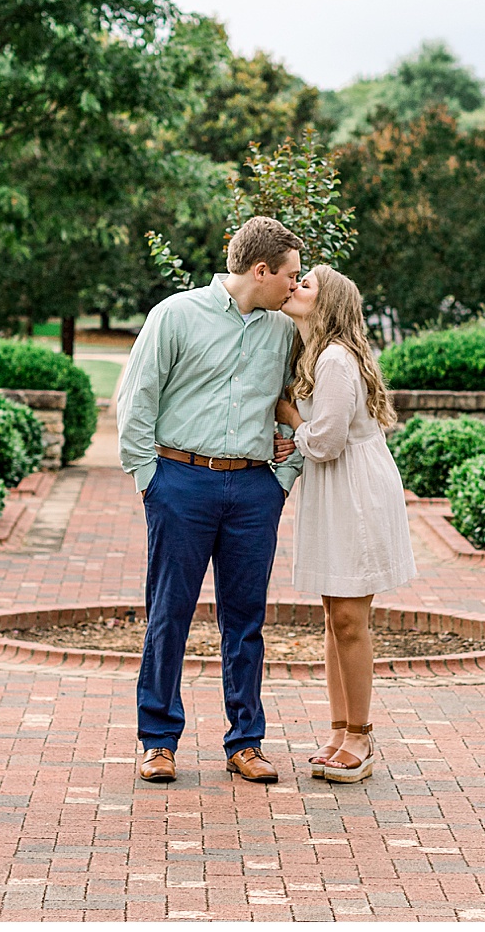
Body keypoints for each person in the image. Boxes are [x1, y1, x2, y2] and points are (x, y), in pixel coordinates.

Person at [117, 216, 304, 785]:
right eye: (291, 276)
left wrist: (284, 476)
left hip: (254, 489)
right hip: (180, 483)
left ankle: (245, 742)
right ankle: (157, 740)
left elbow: (297, 402)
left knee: (245, 620)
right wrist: (149, 479)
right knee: (169, 614)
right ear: (261, 270)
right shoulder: (174, 315)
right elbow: (136, 399)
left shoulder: (284, 330)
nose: (296, 286)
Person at [273, 265, 416, 783]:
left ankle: (361, 735)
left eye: (304, 284)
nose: (294, 288)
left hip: (354, 493)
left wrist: (290, 418)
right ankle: (339, 730)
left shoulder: (335, 359)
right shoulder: (316, 354)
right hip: (335, 490)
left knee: (351, 620)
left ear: (328, 303)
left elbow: (327, 441)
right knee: (335, 617)